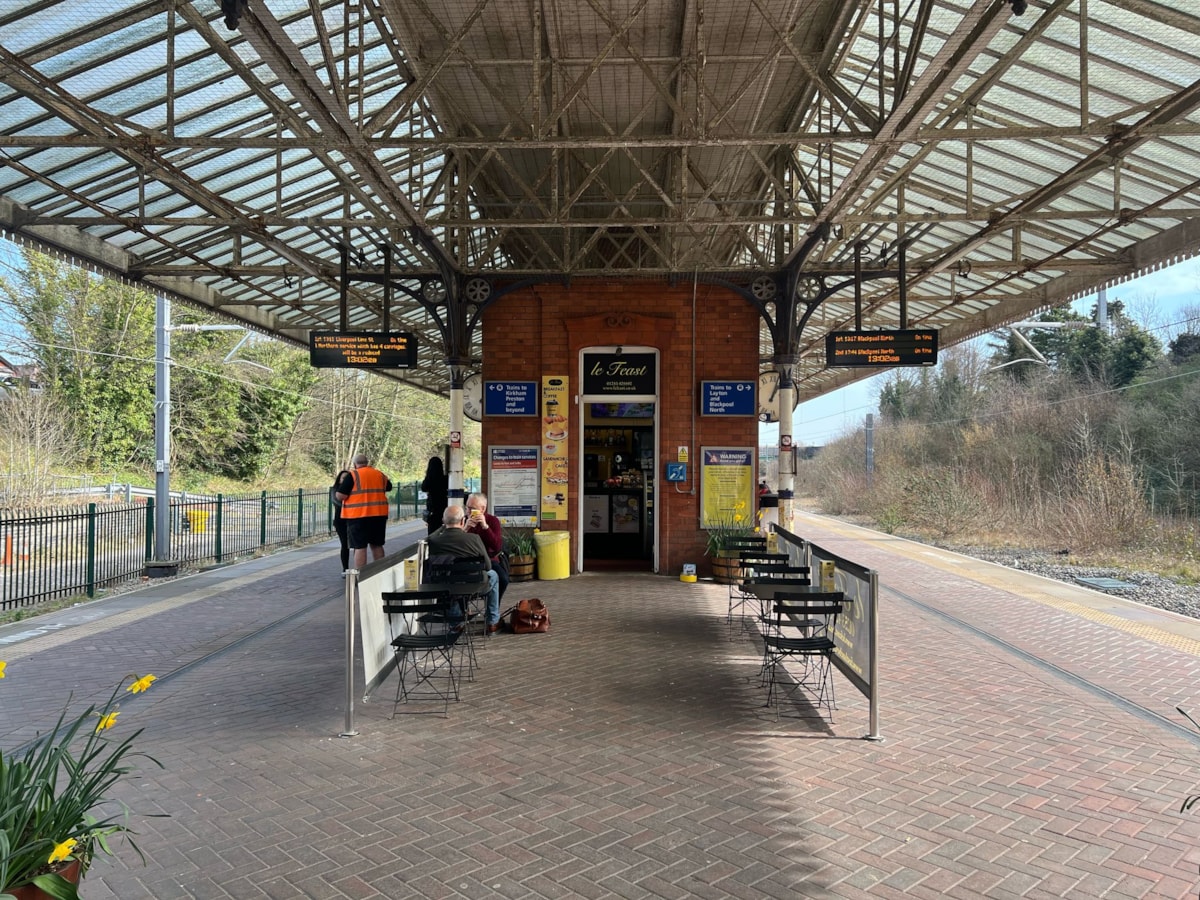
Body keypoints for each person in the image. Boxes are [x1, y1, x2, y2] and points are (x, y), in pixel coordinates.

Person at [427, 504, 501, 634]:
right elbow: (488, 566)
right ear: (462, 521)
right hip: (475, 586)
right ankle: (492, 622)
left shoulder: (435, 541)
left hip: (449, 587)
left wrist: (444, 526)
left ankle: (456, 623)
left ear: (443, 521)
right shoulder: (473, 539)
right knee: (493, 574)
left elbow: (430, 537)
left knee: (448, 581)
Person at [335, 453, 392, 569]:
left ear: (355, 464)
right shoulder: (379, 474)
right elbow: (389, 487)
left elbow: (340, 496)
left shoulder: (353, 475)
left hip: (357, 517)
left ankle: (361, 576)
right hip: (378, 515)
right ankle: (381, 572)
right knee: (377, 545)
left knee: (360, 547)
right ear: (367, 463)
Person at [465, 491, 509, 600]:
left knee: (503, 579)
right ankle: (463, 609)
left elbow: (497, 546)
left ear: (482, 509)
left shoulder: (492, 521)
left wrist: (485, 527)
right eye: (467, 507)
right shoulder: (463, 519)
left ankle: (493, 610)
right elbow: (456, 542)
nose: (468, 511)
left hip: (488, 559)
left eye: (472, 508)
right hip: (467, 560)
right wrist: (465, 529)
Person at [331, 465, 353, 576]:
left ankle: (357, 568)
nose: (345, 480)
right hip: (340, 521)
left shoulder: (353, 490)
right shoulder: (334, 490)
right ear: (339, 479)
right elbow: (337, 502)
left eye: (347, 478)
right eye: (343, 478)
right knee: (345, 544)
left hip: (352, 520)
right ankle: (345, 568)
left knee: (355, 544)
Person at [421, 456, 448, 536]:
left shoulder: (428, 480)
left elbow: (423, 488)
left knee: (432, 535)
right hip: (443, 510)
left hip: (432, 512)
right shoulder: (445, 479)